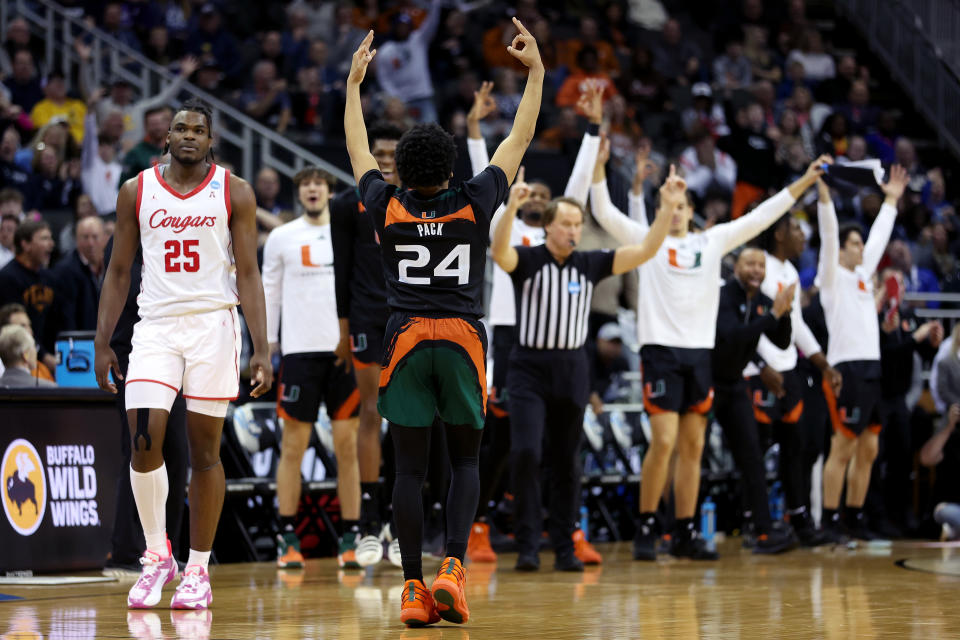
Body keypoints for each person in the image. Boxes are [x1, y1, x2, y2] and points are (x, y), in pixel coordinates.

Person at [344, 20, 541, 626]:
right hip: (460, 339)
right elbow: (519, 139)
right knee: (463, 463)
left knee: (406, 469)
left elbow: (355, 145)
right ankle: (454, 567)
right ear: (450, 164)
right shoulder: (474, 199)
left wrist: (354, 86)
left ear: (399, 166)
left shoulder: (385, 203)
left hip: (403, 338)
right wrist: (534, 72)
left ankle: (411, 587)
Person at [589, 152, 832, 560]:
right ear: (661, 210)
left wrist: (804, 183)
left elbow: (760, 218)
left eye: (684, 207)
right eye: (671, 206)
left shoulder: (711, 241)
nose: (678, 213)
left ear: (693, 212)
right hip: (661, 352)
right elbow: (603, 209)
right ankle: (648, 525)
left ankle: (684, 531)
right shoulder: (648, 241)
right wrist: (597, 166)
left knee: (693, 447)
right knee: (663, 440)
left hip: (699, 356)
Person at [94, 98, 273, 610]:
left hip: (213, 324)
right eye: (180, 128)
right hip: (155, 326)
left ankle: (198, 568)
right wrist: (103, 340)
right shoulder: (137, 190)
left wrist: (262, 347)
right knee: (143, 439)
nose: (189, 135)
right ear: (165, 138)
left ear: (211, 140)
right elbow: (119, 271)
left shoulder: (233, 191)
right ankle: (157, 557)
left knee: (204, 452)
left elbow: (249, 273)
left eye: (199, 129)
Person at [491, 164, 672, 571]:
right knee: (524, 453)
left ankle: (565, 544)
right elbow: (498, 252)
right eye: (566, 223)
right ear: (548, 228)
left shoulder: (589, 263)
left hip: (572, 366)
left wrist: (667, 209)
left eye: (578, 223)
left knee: (567, 461)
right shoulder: (527, 258)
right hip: (528, 368)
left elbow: (644, 251)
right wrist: (508, 209)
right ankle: (527, 544)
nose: (573, 230)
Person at [464, 80, 603, 564]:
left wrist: (593, 130)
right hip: (506, 340)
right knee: (502, 443)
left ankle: (562, 530)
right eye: (531, 191)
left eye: (546, 194)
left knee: (550, 447)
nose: (538, 197)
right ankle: (480, 525)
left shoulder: (558, 238)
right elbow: (488, 174)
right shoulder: (506, 222)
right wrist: (474, 129)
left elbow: (581, 185)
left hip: (550, 346)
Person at [262, 166, 362, 570]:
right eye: (305, 184)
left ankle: (352, 537)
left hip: (344, 351)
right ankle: (287, 536)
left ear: (330, 191)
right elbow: (269, 292)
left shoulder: (349, 231)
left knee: (348, 448)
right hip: (300, 353)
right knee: (292, 448)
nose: (313, 189)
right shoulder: (282, 238)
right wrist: (266, 345)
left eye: (319, 183)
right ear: (299, 193)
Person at [815, 166, 908, 542]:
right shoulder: (831, 279)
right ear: (840, 251)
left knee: (868, 449)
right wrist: (824, 196)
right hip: (847, 368)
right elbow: (828, 232)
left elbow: (879, 241)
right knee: (843, 446)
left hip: (872, 367)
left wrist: (890, 201)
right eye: (853, 244)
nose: (860, 248)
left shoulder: (861, 280)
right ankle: (830, 520)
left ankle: (853, 518)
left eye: (860, 244)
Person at [330, 121, 405, 568]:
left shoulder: (418, 201)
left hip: (408, 318)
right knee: (372, 413)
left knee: (409, 417)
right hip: (364, 320)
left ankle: (400, 523)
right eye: (380, 152)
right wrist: (342, 327)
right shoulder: (346, 204)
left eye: (395, 153)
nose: (387, 160)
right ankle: (370, 521)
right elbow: (340, 271)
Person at [747, 212, 841, 545]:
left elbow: (797, 324)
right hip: (761, 372)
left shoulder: (790, 272)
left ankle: (798, 517)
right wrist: (760, 365)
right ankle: (753, 522)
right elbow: (752, 319)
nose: (802, 235)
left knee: (796, 447)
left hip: (789, 369)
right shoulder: (760, 266)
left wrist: (823, 363)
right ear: (779, 235)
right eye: (796, 228)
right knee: (756, 448)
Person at [712, 247, 795, 554]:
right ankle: (678, 530)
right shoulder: (725, 296)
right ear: (736, 267)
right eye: (750, 264)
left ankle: (762, 531)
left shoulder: (761, 302)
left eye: (761, 265)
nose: (756, 270)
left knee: (752, 456)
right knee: (690, 455)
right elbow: (732, 335)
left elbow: (782, 340)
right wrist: (772, 314)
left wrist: (785, 312)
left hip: (734, 385)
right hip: (709, 382)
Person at [53, 216, 105, 332]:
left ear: (104, 238)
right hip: (79, 341)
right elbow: (66, 317)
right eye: (85, 237)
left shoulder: (113, 267)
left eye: (95, 237)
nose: (91, 243)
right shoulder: (64, 271)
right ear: (76, 240)